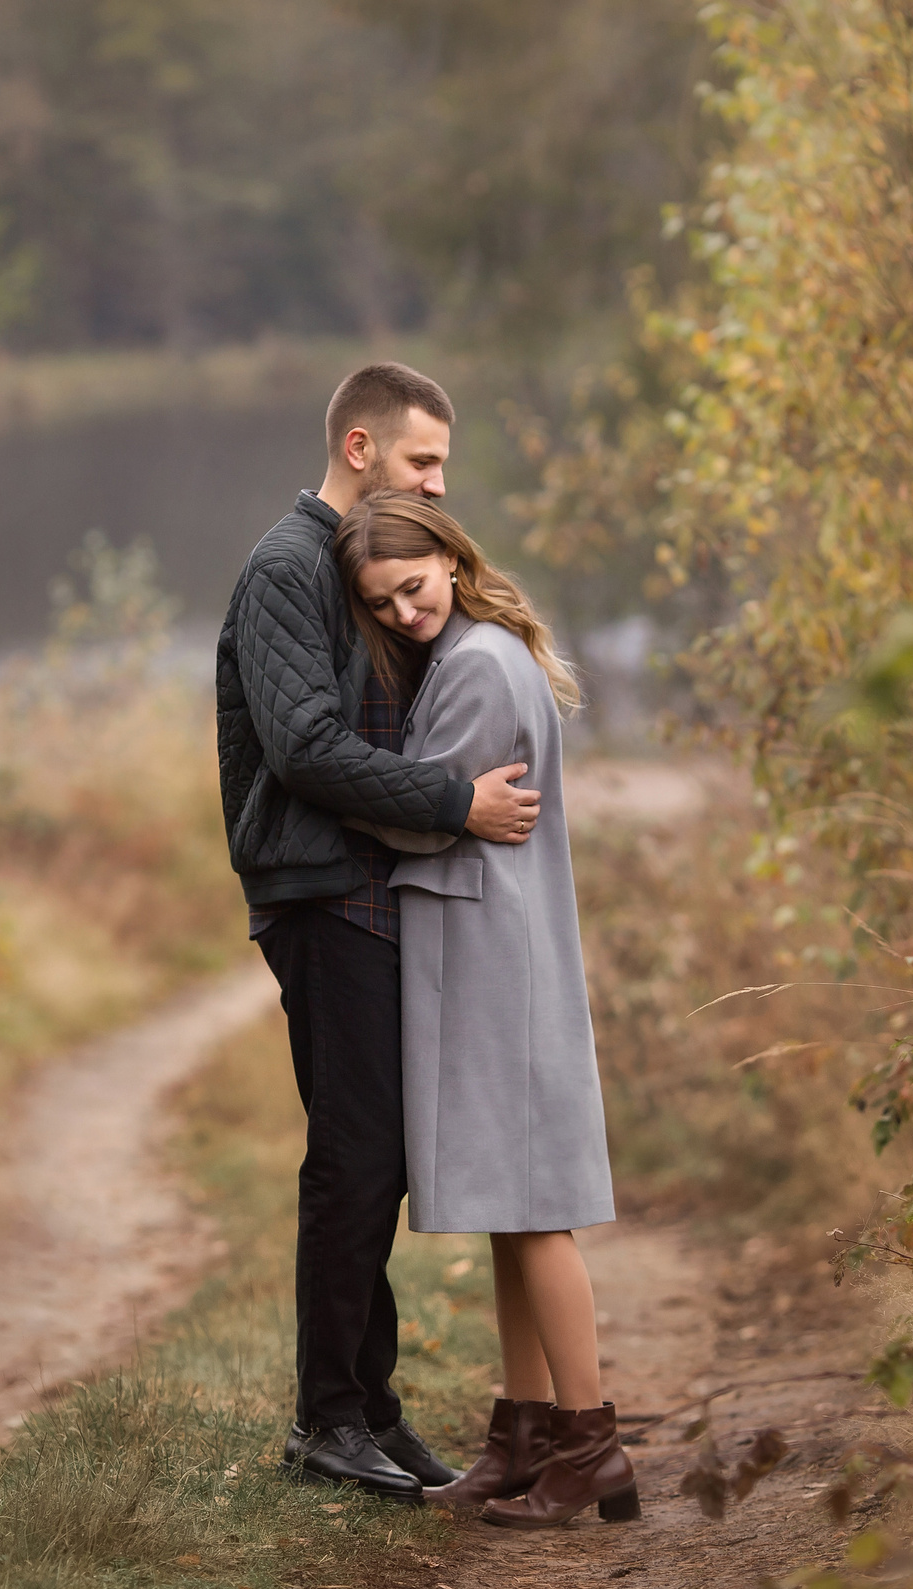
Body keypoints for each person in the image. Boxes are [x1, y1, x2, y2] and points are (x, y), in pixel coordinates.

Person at [214, 363, 545, 1501]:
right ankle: (325, 1421)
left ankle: (374, 1411)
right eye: (422, 463)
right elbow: (303, 747)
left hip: (363, 889)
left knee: (379, 1158)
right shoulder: (284, 568)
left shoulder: (357, 566)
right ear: (360, 450)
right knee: (354, 1159)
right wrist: (457, 805)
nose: (440, 484)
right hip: (317, 893)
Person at [332, 489, 637, 1530]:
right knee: (513, 1209)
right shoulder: (480, 650)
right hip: (494, 944)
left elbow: (426, 819)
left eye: (411, 590)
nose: (403, 616)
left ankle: (587, 1441)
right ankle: (522, 1432)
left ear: (450, 564)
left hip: (490, 958)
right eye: (381, 606)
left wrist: (344, 797)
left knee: (536, 1211)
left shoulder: (471, 666)